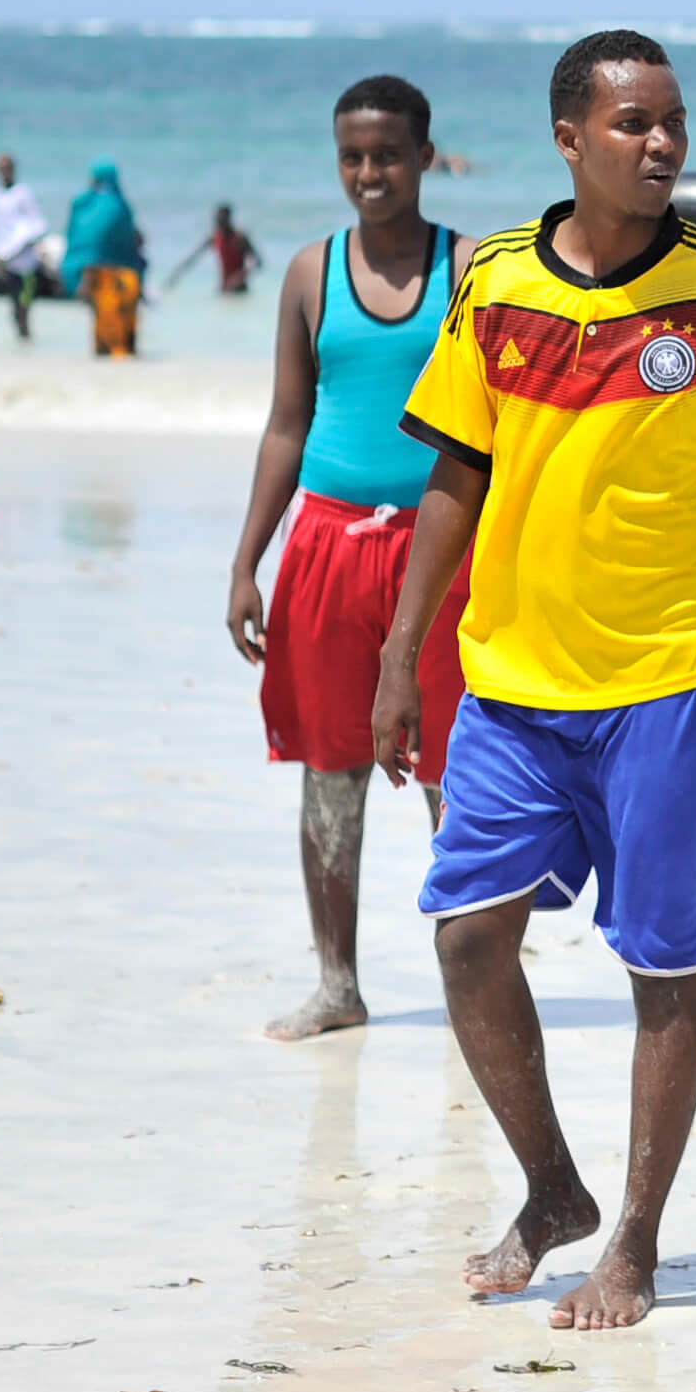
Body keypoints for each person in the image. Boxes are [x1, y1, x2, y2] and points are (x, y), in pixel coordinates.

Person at [375, 30, 696, 1332]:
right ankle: (554, 1186)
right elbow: (456, 471)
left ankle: (635, 1241)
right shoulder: (499, 279)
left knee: (661, 965)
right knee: (467, 939)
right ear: (570, 138)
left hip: (669, 683)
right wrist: (403, 654)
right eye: (633, 124)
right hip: (510, 680)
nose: (663, 143)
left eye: (673, 121)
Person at [223, 74, 473, 1043]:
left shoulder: (473, 267)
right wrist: (248, 559)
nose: (370, 173)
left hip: (444, 551)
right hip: (325, 546)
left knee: (458, 770)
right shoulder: (307, 274)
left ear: (423, 153)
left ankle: (470, 980)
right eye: (352, 157)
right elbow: (285, 426)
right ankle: (337, 983)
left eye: (388, 153)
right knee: (330, 769)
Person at [62, 159, 146, 359]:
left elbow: (77, 239)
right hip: (119, 275)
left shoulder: (83, 205)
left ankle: (102, 361)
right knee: (123, 326)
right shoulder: (119, 205)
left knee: (101, 321)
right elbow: (131, 240)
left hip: (88, 273)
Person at [0, 153, 53, 340]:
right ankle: (22, 353)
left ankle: (28, 347)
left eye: (7, 167)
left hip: (26, 263)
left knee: (24, 309)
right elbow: (3, 231)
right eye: (0, 168)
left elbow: (37, 225)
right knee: (14, 310)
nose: (4, 171)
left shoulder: (22, 193)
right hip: (7, 263)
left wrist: (13, 250)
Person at [157, 203, 263, 295]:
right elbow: (193, 258)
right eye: (217, 219)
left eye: (221, 219)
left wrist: (240, 276)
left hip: (240, 290)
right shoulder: (215, 237)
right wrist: (175, 276)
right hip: (223, 288)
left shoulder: (240, 237)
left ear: (228, 218)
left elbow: (258, 262)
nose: (218, 222)